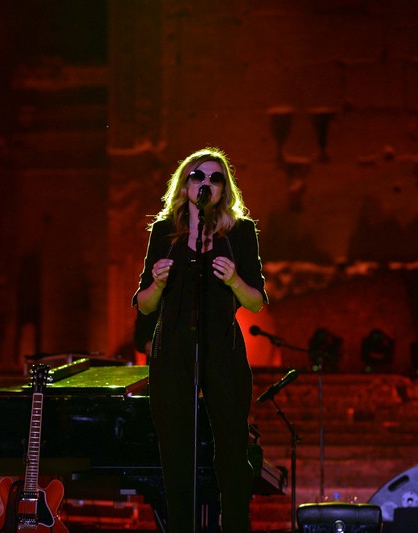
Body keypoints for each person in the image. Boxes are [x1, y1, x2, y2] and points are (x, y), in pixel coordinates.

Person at [132, 147, 267, 532]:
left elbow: (256, 301)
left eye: (215, 178)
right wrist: (158, 283)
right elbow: (143, 305)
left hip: (223, 348)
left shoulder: (240, 232)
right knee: (176, 452)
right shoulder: (164, 232)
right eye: (198, 176)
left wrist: (234, 281)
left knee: (231, 449)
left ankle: (236, 525)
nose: (205, 183)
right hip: (173, 349)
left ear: (224, 189)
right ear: (185, 183)